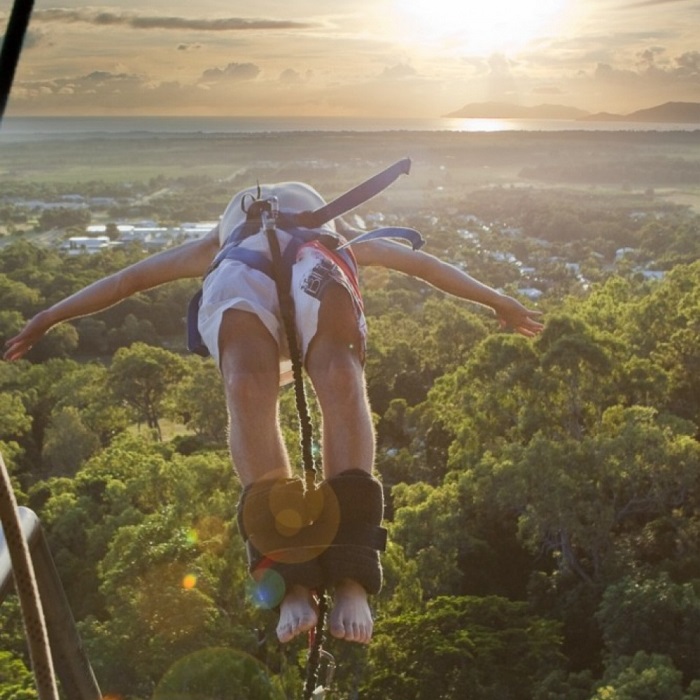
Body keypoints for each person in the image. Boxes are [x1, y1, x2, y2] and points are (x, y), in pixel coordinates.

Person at [4, 171, 543, 646]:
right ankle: (291, 578)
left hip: (318, 262)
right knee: (245, 383)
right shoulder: (221, 248)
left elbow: (420, 263)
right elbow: (128, 281)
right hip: (244, 277)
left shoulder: (336, 241)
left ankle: (352, 571)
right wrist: (49, 315)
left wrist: (499, 300)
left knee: (338, 374)